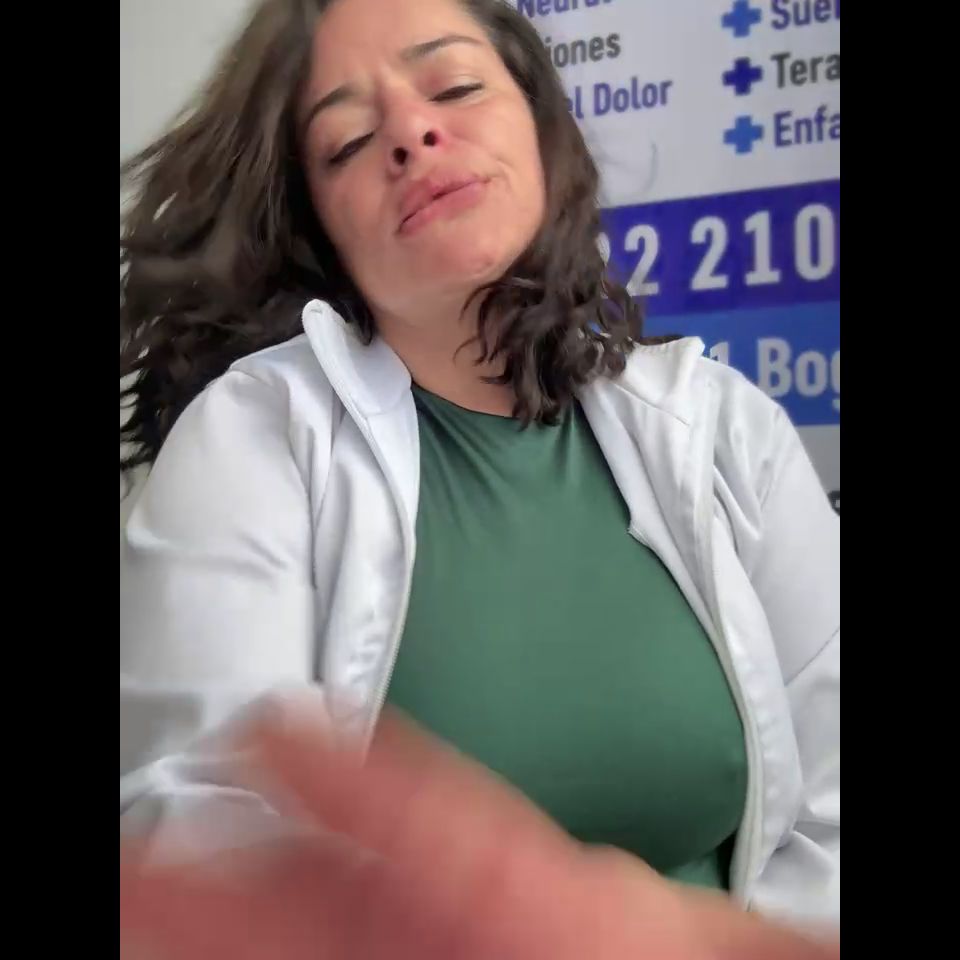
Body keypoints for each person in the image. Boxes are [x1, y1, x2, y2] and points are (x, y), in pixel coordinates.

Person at [120, 0, 840, 955]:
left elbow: (830, 820)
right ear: (317, 223)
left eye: (455, 87)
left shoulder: (726, 427)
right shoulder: (253, 439)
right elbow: (204, 836)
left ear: (541, 127)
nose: (413, 133)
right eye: (347, 142)